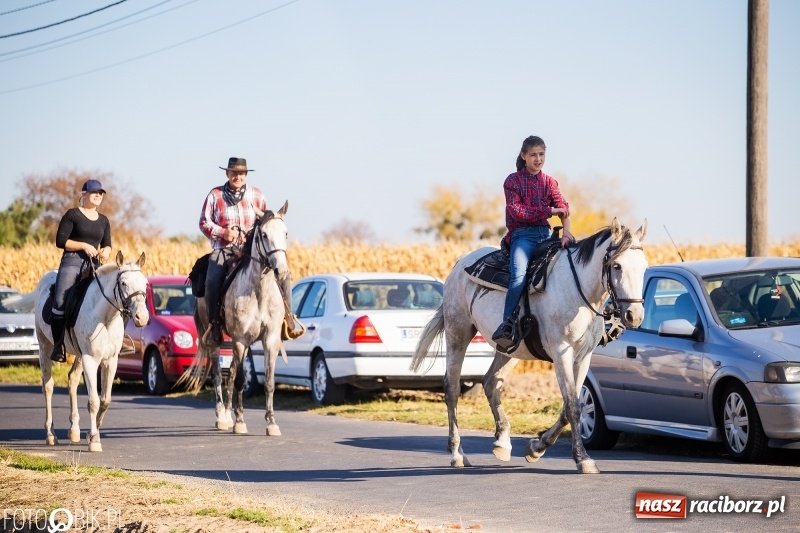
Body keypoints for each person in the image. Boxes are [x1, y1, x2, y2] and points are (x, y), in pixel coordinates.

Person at [199, 157, 293, 347]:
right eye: (234, 173)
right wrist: (223, 232)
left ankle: (288, 320)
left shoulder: (257, 195)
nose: (238, 176)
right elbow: (203, 222)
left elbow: (266, 222)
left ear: (246, 175)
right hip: (224, 250)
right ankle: (214, 324)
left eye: (241, 173)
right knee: (211, 280)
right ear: (227, 173)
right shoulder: (214, 195)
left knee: (284, 274)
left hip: (252, 250)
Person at [491, 135, 574, 353]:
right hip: (522, 235)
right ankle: (507, 324)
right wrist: (549, 211)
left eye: (542, 155)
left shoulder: (549, 182)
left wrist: (567, 232)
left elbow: (563, 206)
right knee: (519, 275)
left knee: (567, 269)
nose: (538, 159)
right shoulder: (512, 181)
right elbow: (518, 211)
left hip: (546, 235)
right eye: (534, 155)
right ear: (523, 156)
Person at [50, 179, 112, 362]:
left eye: (101, 193)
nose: (98, 195)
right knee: (60, 301)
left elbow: (107, 245)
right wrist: (84, 245)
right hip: (72, 262)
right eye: (95, 192)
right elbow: (61, 242)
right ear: (84, 194)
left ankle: (113, 341)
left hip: (94, 265)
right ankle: (58, 345)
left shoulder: (104, 220)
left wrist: (106, 252)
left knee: (110, 297)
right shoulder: (72, 215)